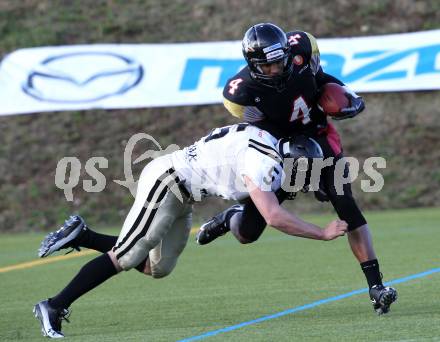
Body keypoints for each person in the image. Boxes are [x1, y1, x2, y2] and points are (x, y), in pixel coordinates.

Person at [34, 124, 348, 338]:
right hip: (168, 182)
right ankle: (54, 304)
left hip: (185, 192)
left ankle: (83, 235)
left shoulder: (268, 141)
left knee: (156, 267)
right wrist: (321, 233)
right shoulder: (264, 163)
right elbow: (274, 216)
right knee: (127, 257)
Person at [195, 23, 397, 315]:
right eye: (269, 65)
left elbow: (322, 79)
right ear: (253, 65)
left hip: (319, 137)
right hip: (278, 151)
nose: (277, 69)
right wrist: (291, 159)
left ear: (289, 53)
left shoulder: (302, 48)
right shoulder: (239, 93)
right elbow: (258, 134)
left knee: (347, 206)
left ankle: (376, 286)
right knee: (248, 233)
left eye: (281, 61)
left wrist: (346, 97)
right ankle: (232, 216)